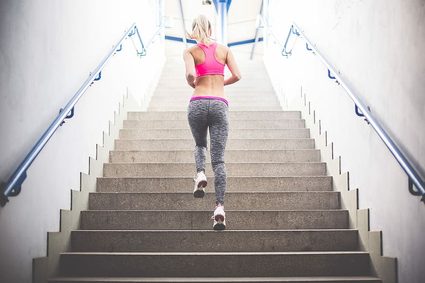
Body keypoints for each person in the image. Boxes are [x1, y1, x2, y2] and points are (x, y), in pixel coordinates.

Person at [183, 15, 241, 230]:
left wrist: (195, 83)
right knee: (218, 161)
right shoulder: (225, 50)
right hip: (219, 104)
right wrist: (219, 82)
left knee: (200, 145)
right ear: (211, 28)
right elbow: (238, 75)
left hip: (197, 102)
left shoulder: (190, 51)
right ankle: (219, 208)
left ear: (193, 29)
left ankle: (199, 174)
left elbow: (190, 74)